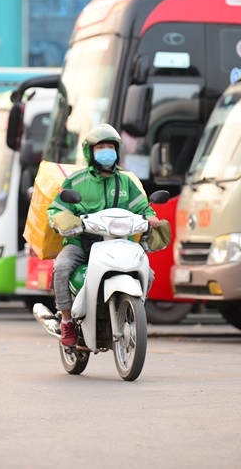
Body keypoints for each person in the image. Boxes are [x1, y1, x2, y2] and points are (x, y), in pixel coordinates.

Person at [47, 124, 164, 347]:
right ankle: (67, 320)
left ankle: (132, 313)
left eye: (110, 146)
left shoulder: (127, 181)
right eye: (100, 146)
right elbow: (56, 210)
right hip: (81, 242)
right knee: (61, 267)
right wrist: (64, 220)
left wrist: (150, 217)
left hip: (119, 242)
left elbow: (143, 208)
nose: (106, 151)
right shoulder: (76, 180)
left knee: (147, 274)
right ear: (90, 152)